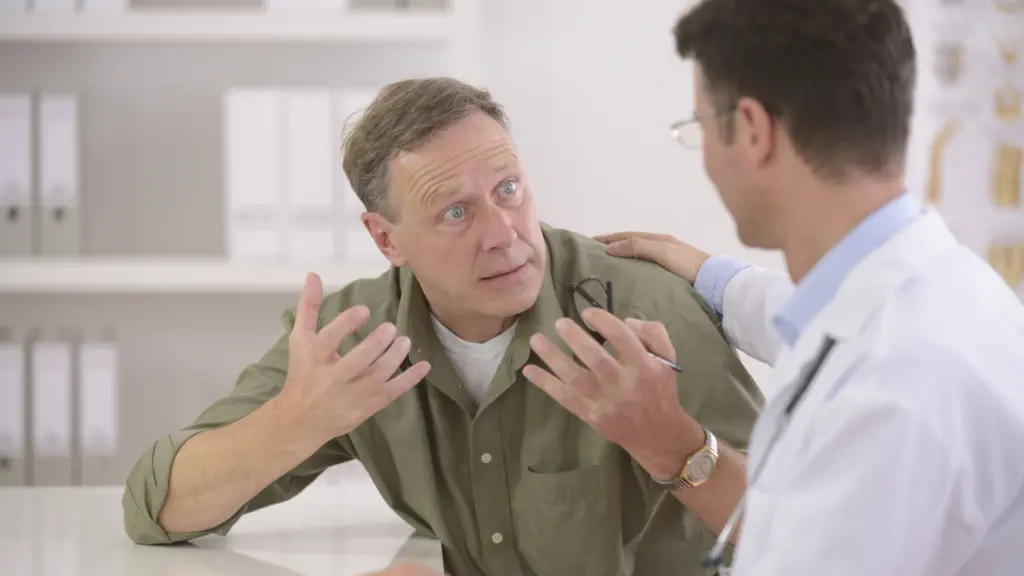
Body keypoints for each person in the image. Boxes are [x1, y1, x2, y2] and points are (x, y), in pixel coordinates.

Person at [121, 77, 765, 576]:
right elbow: (158, 509)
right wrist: (297, 421)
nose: (503, 235)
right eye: (456, 211)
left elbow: (803, 529)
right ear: (385, 239)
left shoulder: (645, 309)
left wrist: (674, 443)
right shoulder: (353, 339)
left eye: (508, 190)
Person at [583, 0, 1024, 574]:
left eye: (702, 127)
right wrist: (707, 274)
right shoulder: (944, 290)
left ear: (752, 129)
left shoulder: (891, 389)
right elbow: (806, 319)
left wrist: (672, 444)